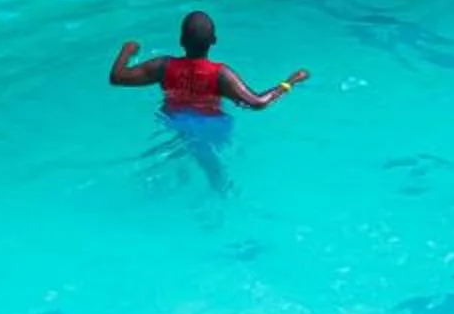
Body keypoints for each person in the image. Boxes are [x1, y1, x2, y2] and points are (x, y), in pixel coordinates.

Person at [111, 12, 307, 191]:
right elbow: (258, 102)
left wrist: (128, 50)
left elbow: (117, 77)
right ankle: (222, 193)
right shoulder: (221, 75)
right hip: (211, 126)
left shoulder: (163, 66)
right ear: (214, 40)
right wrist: (290, 82)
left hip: (173, 119)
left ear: (181, 41)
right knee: (210, 164)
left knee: (183, 146)